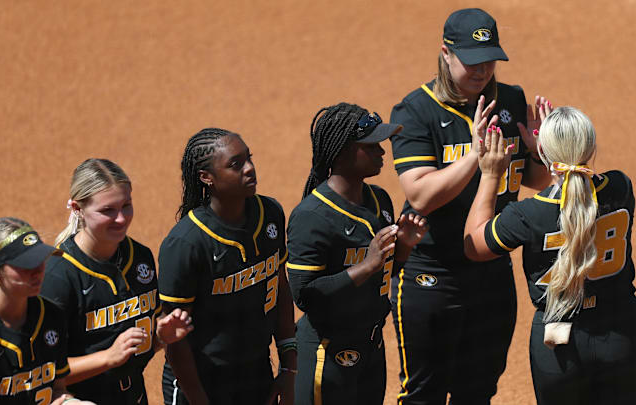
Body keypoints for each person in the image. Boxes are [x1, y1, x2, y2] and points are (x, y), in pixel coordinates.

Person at [388, 8, 552, 404]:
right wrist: (473, 158)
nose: (482, 71)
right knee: (423, 393)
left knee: (477, 390)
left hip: (491, 269)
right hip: (431, 276)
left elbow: (533, 181)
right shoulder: (414, 112)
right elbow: (420, 195)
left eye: (490, 59)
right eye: (472, 61)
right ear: (446, 53)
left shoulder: (509, 99)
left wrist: (543, 153)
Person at [463, 107, 636, 404]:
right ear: (591, 147)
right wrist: (546, 149)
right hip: (621, 332)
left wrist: (490, 175)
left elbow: (474, 245)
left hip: (560, 345)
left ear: (544, 152)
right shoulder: (620, 187)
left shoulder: (527, 214)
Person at [287, 103, 428, 405]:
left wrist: (403, 250)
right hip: (327, 355)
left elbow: (384, 274)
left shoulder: (380, 200)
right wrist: (367, 265)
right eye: (371, 145)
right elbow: (304, 295)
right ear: (342, 152)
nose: (382, 151)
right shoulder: (311, 216)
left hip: (371, 348)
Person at [158, 128, 296, 405]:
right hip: (199, 382)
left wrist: (289, 368)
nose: (249, 169)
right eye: (236, 164)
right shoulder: (186, 243)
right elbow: (176, 339)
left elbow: (280, 289)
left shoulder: (269, 214)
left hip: (256, 373)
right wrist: (199, 401)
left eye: (249, 159)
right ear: (206, 177)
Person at [41, 158, 193, 405]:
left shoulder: (139, 257)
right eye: (107, 210)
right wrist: (108, 357)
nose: (121, 219)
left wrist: (161, 338)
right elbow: (40, 371)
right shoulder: (58, 275)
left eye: (126, 205)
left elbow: (133, 348)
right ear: (77, 209)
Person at [0, 217, 96, 405]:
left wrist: (70, 403)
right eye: (24, 264)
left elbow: (57, 388)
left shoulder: (51, 316)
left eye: (40, 259)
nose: (37, 271)